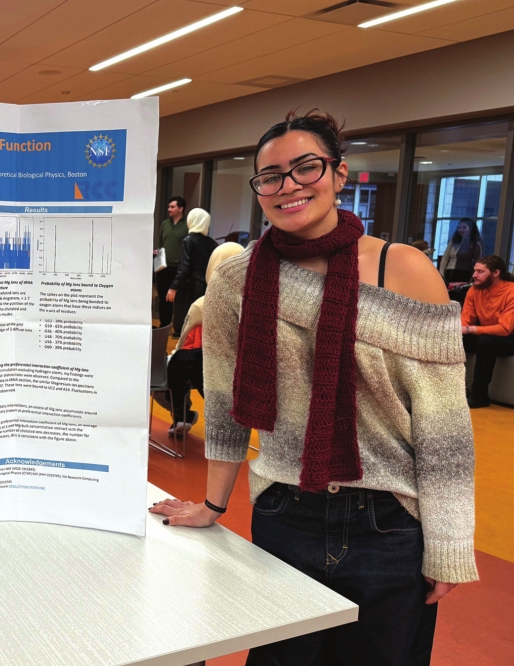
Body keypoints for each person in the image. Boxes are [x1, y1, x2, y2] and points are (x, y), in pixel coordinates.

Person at [150, 109, 477, 666]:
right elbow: (225, 403)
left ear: (339, 173)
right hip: (286, 512)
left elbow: (443, 424)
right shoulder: (237, 279)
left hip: (390, 523)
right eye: (270, 176)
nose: (289, 186)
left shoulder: (404, 269)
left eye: (306, 168)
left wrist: (448, 543)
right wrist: (213, 504)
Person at [166, 242, 244, 436]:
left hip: (209, 376)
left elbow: (182, 343)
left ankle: (183, 414)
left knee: (174, 366)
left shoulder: (202, 304)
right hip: (244, 379)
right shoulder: (256, 303)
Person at [460, 255, 514, 408]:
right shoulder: (474, 290)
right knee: (456, 338)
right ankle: (457, 390)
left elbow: (504, 329)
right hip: (488, 335)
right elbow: (465, 321)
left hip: (509, 338)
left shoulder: (511, 291)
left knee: (486, 341)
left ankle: (480, 396)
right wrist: (461, 330)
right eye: (475, 270)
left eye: (480, 271)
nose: (474, 275)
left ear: (496, 273)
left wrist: (470, 329)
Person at [166, 208, 218, 336]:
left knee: (185, 323)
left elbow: (184, 268)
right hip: (205, 286)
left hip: (189, 287)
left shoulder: (188, 240)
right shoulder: (212, 243)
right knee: (199, 321)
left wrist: (173, 287)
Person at [154, 196, 189, 330]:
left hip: (179, 269)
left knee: (180, 300)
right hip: (163, 268)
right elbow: (160, 243)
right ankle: (164, 326)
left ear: (181, 209)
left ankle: (179, 328)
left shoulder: (187, 225)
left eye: (172, 207)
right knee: (164, 299)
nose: (169, 209)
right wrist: (157, 251)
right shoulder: (164, 224)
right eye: (169, 207)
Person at [438, 217, 482, 284]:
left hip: (465, 273)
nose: (461, 230)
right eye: (459, 227)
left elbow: (477, 262)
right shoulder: (453, 242)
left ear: (471, 229)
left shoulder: (475, 244)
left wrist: (473, 277)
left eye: (464, 227)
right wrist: (441, 274)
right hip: (450, 271)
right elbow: (445, 258)